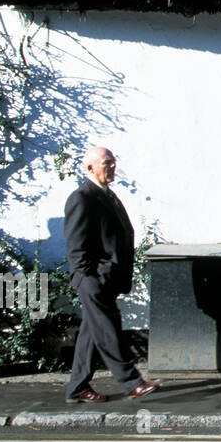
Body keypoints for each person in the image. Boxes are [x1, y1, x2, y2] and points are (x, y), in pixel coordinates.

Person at [63, 146, 159, 403]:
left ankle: (77, 388)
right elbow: (76, 245)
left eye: (114, 162)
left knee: (91, 332)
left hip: (104, 277)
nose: (113, 166)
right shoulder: (82, 198)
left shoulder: (106, 195)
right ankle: (131, 382)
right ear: (90, 168)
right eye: (107, 163)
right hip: (93, 279)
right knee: (108, 329)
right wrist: (89, 277)